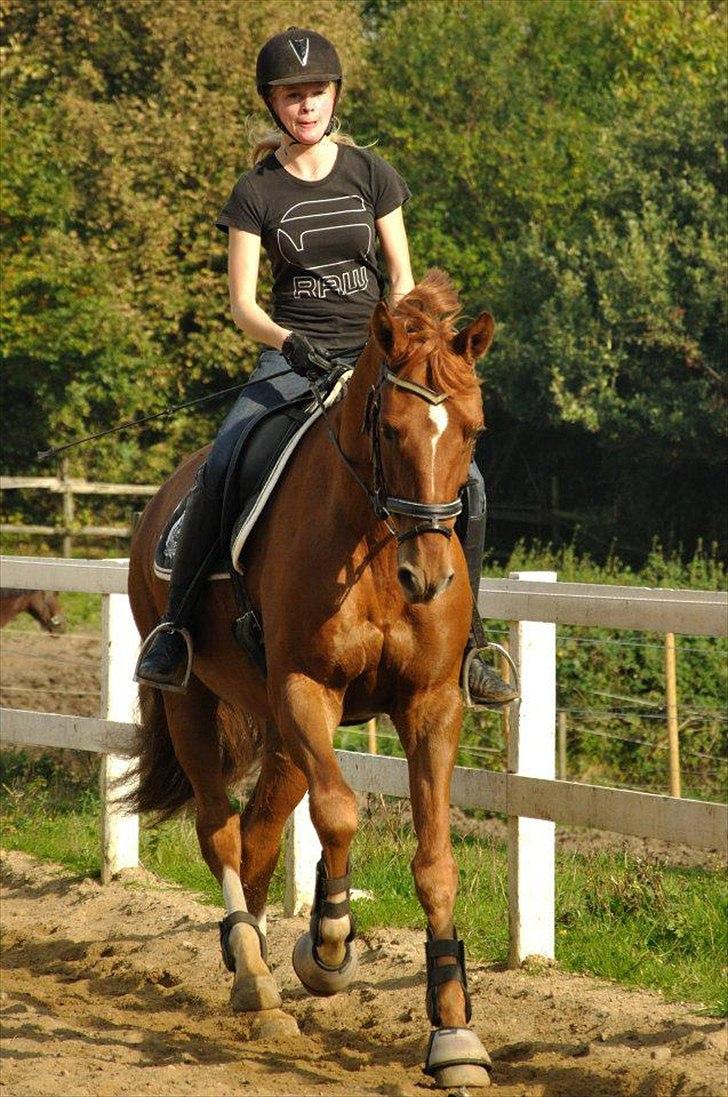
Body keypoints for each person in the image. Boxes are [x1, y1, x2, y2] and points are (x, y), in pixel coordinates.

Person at [135, 26, 516, 709]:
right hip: (292, 356)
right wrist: (288, 342)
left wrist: (400, 345)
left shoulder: (371, 172)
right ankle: (175, 630)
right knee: (225, 460)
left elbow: (400, 273)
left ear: (333, 96)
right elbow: (244, 304)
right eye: (291, 95)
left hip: (381, 358)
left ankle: (473, 639)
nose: (305, 106)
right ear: (273, 103)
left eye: (315, 93)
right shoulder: (256, 191)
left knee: (473, 483)